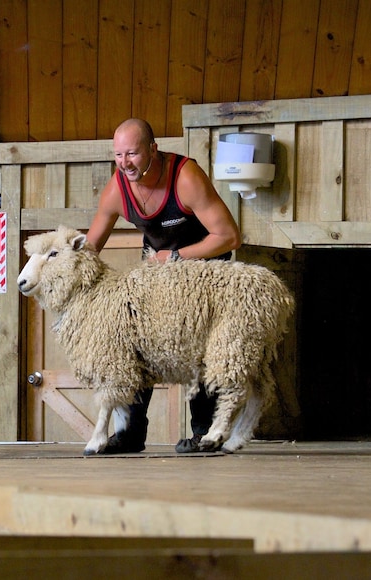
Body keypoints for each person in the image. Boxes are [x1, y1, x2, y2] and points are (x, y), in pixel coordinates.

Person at [86, 118, 242, 454]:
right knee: (134, 340)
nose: (125, 162)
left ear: (153, 150)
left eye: (133, 153)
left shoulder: (185, 177)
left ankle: (204, 433)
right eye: (118, 155)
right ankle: (128, 434)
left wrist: (175, 257)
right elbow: (88, 249)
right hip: (157, 268)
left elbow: (229, 236)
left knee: (198, 347)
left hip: (203, 268)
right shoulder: (118, 188)